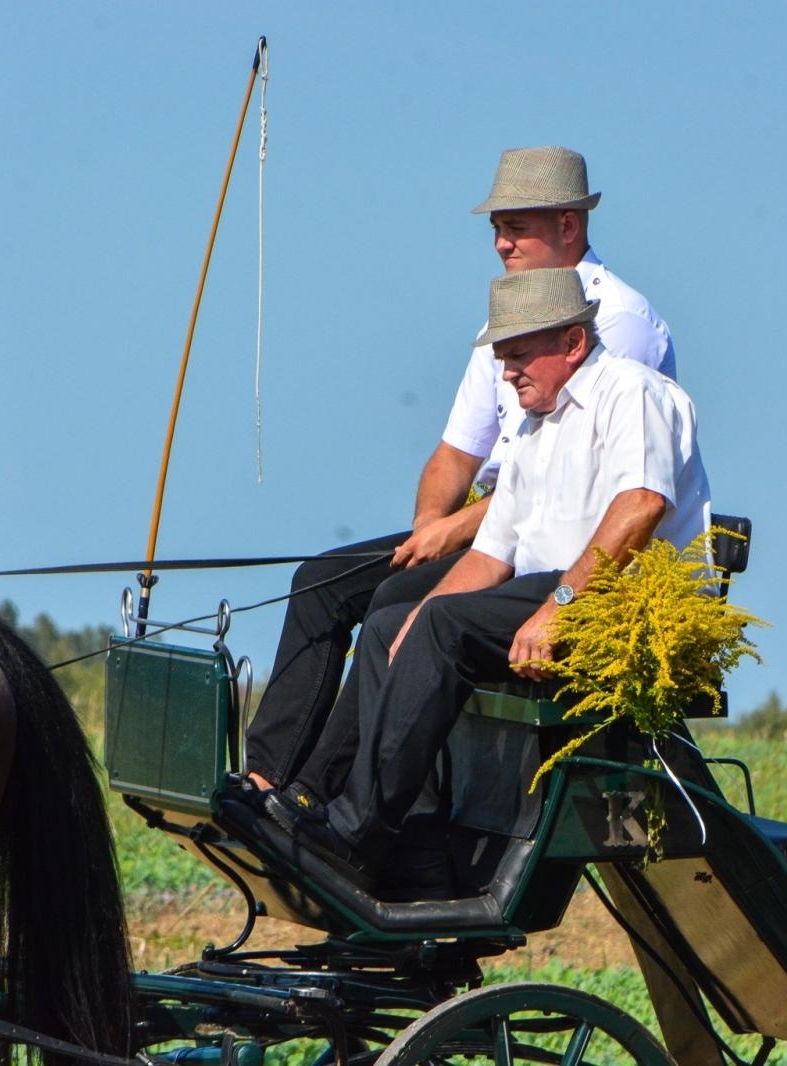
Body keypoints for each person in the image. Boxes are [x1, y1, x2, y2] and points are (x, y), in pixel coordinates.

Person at [243, 146, 676, 795]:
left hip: (554, 543)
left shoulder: (615, 321)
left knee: (393, 604)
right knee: (321, 582)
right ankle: (266, 777)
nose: (501, 243)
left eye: (517, 226)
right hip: (490, 528)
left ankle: (324, 794)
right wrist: (430, 525)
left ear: (568, 225)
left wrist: (457, 531)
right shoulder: (507, 319)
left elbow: (573, 482)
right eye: (496, 228)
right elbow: (454, 454)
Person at [265, 267, 711, 888]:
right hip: (550, 587)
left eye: (519, 355)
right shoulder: (532, 426)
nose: (506, 373)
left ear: (572, 343)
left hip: (620, 600)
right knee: (393, 623)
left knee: (443, 627)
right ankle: (318, 800)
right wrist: (413, 622)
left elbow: (641, 506)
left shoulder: (632, 393)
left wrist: (559, 607)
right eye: (502, 357)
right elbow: (491, 555)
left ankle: (356, 835)